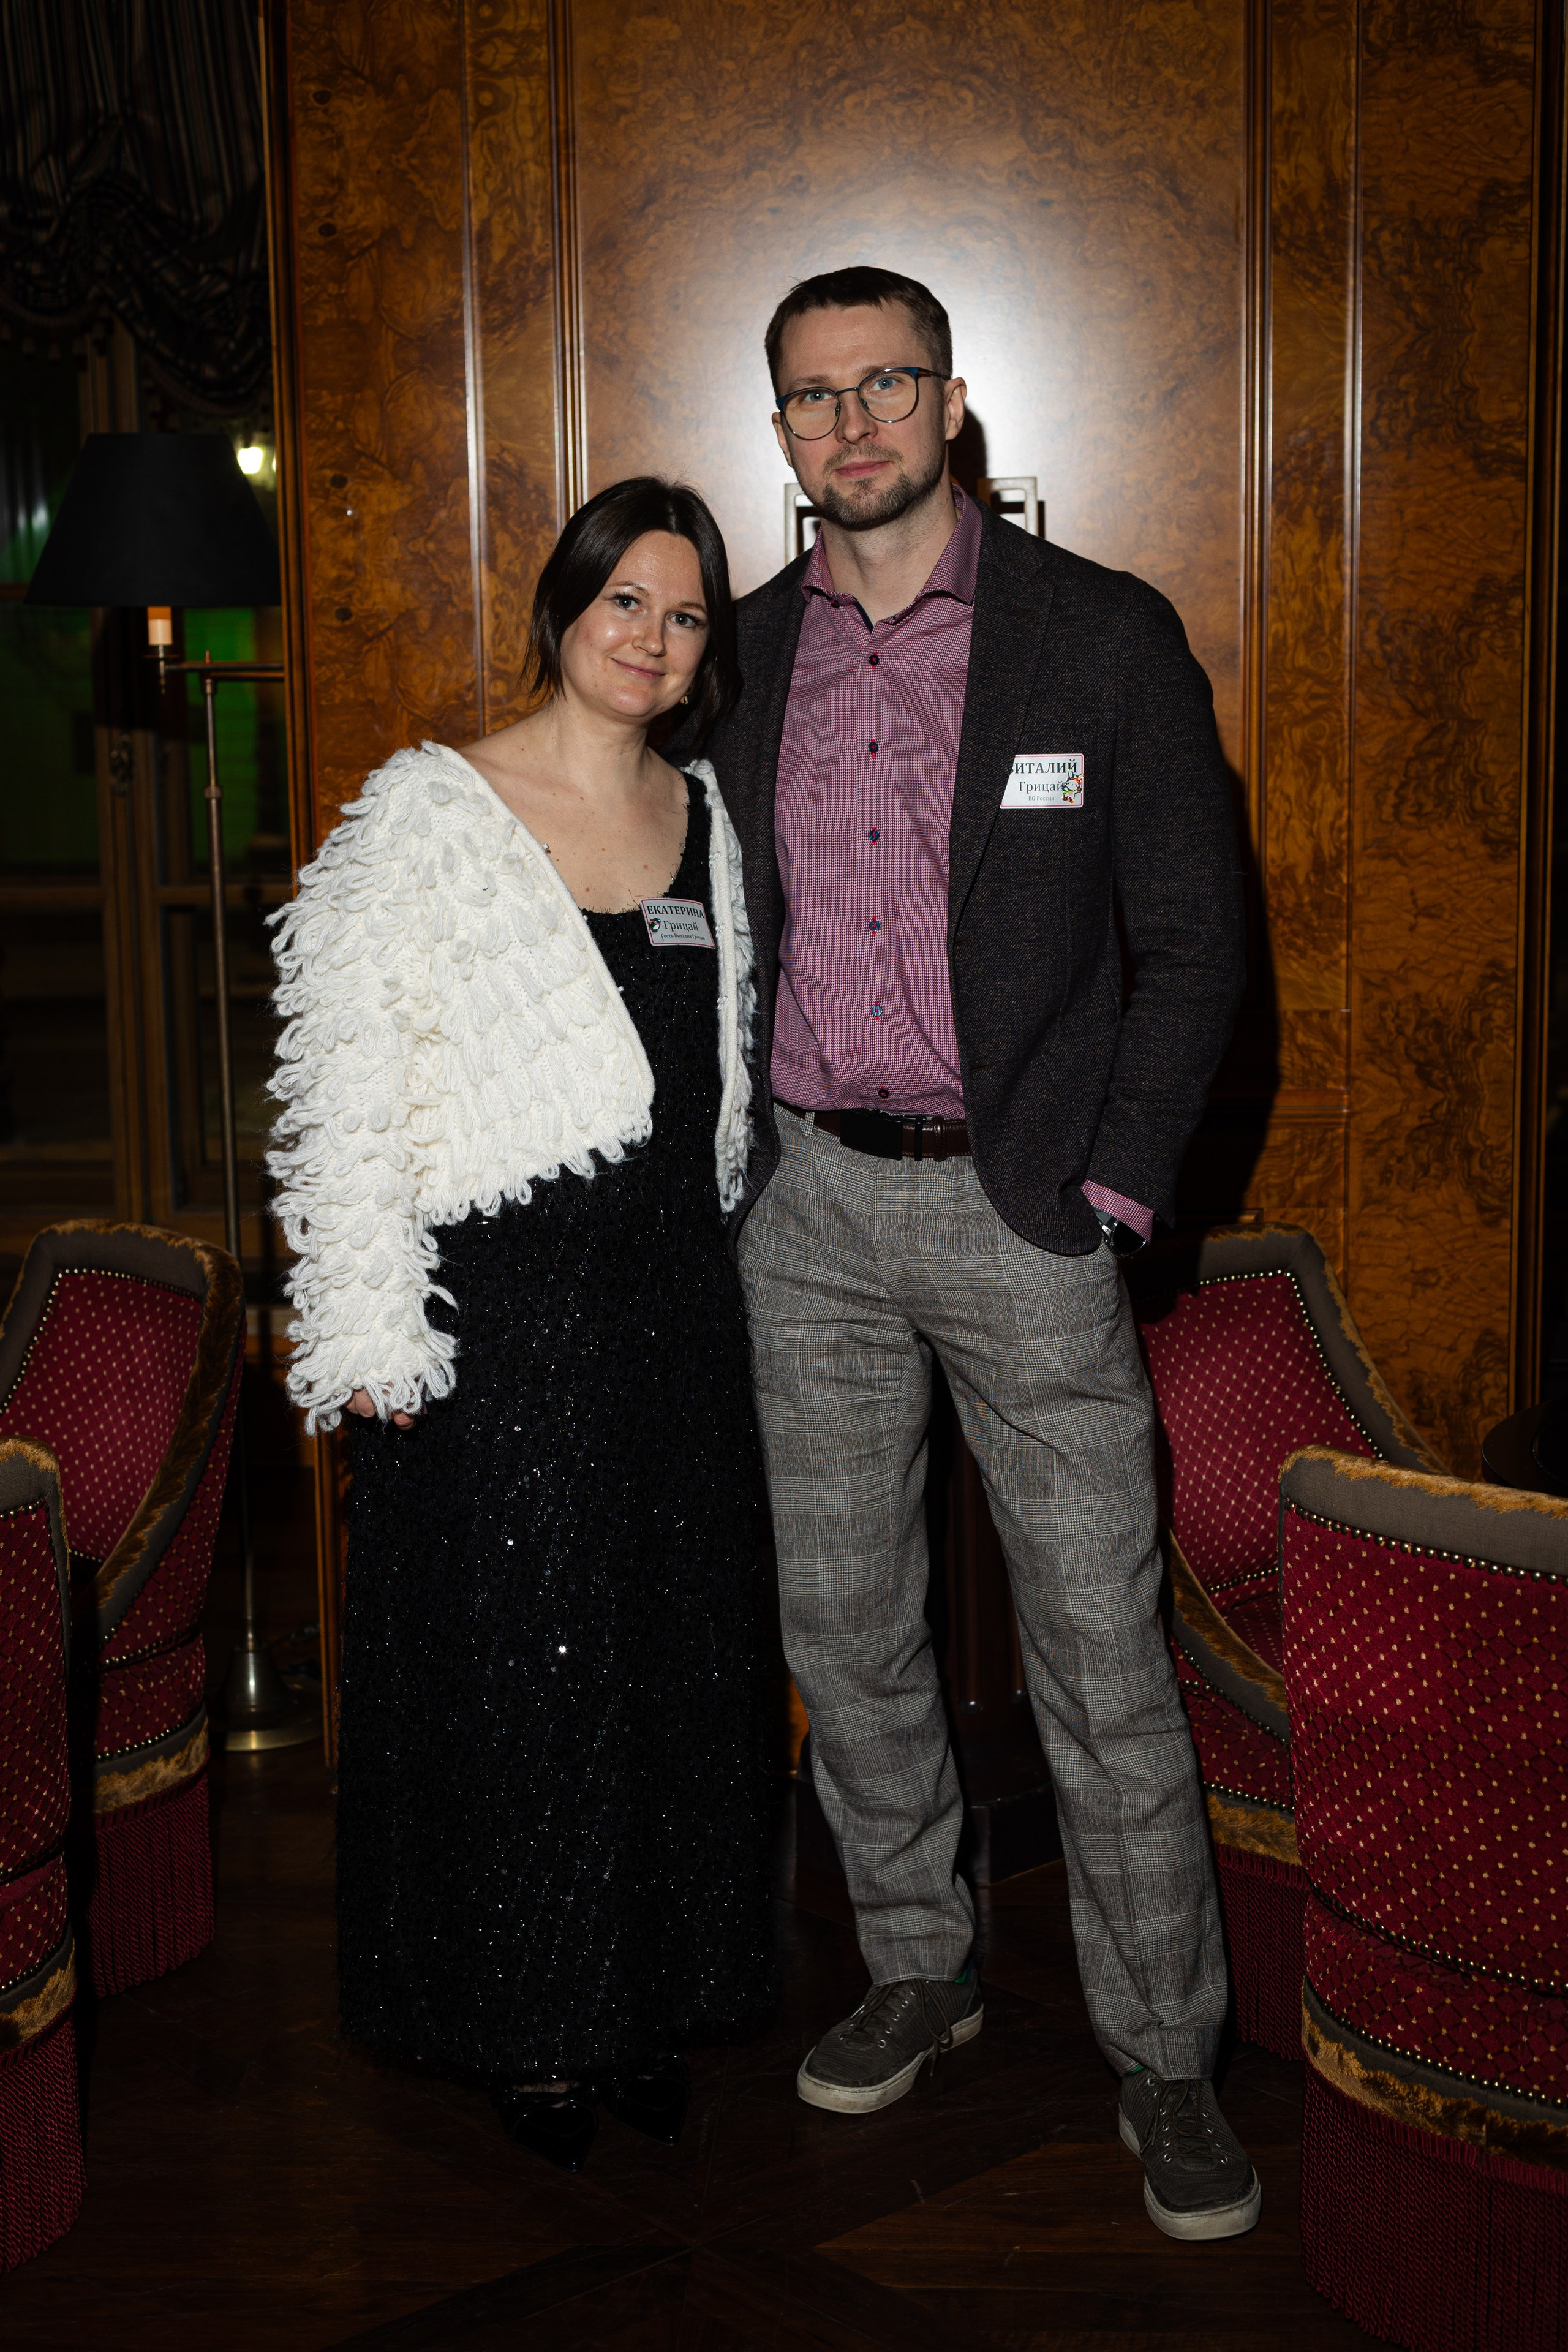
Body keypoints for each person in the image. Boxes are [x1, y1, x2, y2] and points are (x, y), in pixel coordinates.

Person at [698, 265, 1257, 2241]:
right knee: (846, 1634)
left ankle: (1167, 2059)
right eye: (813, 395)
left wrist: (1112, 1194)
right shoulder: (737, 654)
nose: (851, 425)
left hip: (1024, 1209)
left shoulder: (1098, 636)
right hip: (808, 1216)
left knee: (1101, 1657)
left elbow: (1198, 943)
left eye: (888, 384)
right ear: (779, 428)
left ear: (953, 403)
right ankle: (918, 1964)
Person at [268, 477, 771, 2174]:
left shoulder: (709, 820)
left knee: (669, 1675)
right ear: (563, 608)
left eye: (686, 615)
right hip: (503, 1330)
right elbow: (343, 1081)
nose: (653, 638)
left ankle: (648, 2001)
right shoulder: (434, 809)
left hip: (677, 1325)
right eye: (626, 599)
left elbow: (726, 1079)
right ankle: (534, 2025)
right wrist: (368, 1332)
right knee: (519, 1684)